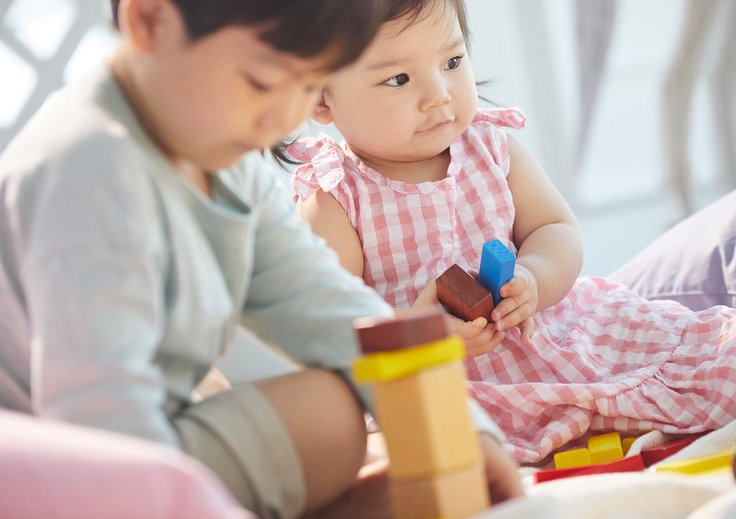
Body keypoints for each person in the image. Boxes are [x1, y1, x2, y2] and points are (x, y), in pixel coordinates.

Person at [0, 0, 524, 517]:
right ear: (151, 20)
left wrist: (463, 430)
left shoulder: (218, 153)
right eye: (261, 83)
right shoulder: (87, 174)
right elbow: (98, 427)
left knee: (331, 412)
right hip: (58, 468)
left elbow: (326, 304)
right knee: (326, 419)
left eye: (308, 86)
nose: (284, 119)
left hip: (142, 437)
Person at [289, 0, 736, 464]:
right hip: (452, 381)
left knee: (723, 356)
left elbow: (555, 228)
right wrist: (418, 331)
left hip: (554, 333)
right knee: (416, 457)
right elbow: (330, 333)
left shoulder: (490, 147)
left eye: (453, 62)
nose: (438, 94)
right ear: (319, 98)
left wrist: (534, 277)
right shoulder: (335, 198)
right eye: (398, 78)